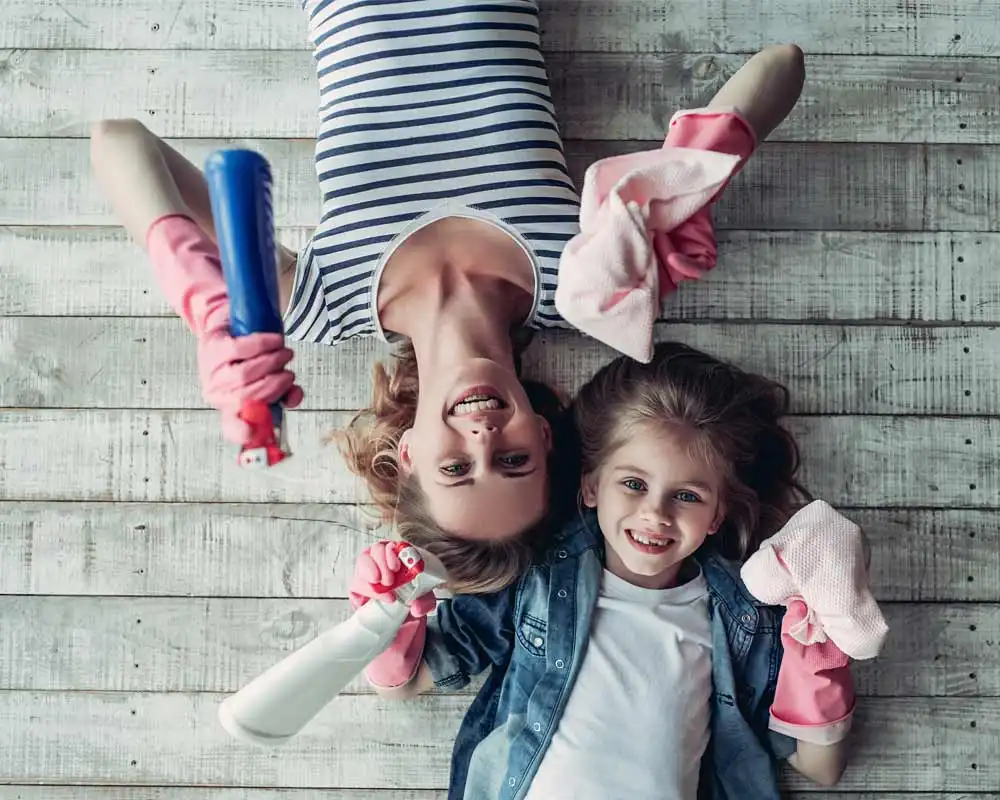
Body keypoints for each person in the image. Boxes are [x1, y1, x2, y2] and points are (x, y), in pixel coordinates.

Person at [89, 0, 805, 584]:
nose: (484, 438)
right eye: (515, 460)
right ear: (545, 437)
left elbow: (120, 140)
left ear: (406, 452)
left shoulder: (320, 303)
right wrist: (689, 180)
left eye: (456, 467)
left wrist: (207, 308)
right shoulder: (583, 283)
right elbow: (783, 66)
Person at [348, 342, 886, 799]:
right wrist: (386, 614)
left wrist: (819, 658)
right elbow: (407, 682)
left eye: (687, 495)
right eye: (633, 483)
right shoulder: (536, 580)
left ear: (718, 513)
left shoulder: (744, 618)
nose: (656, 513)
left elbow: (820, 766)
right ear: (590, 487)